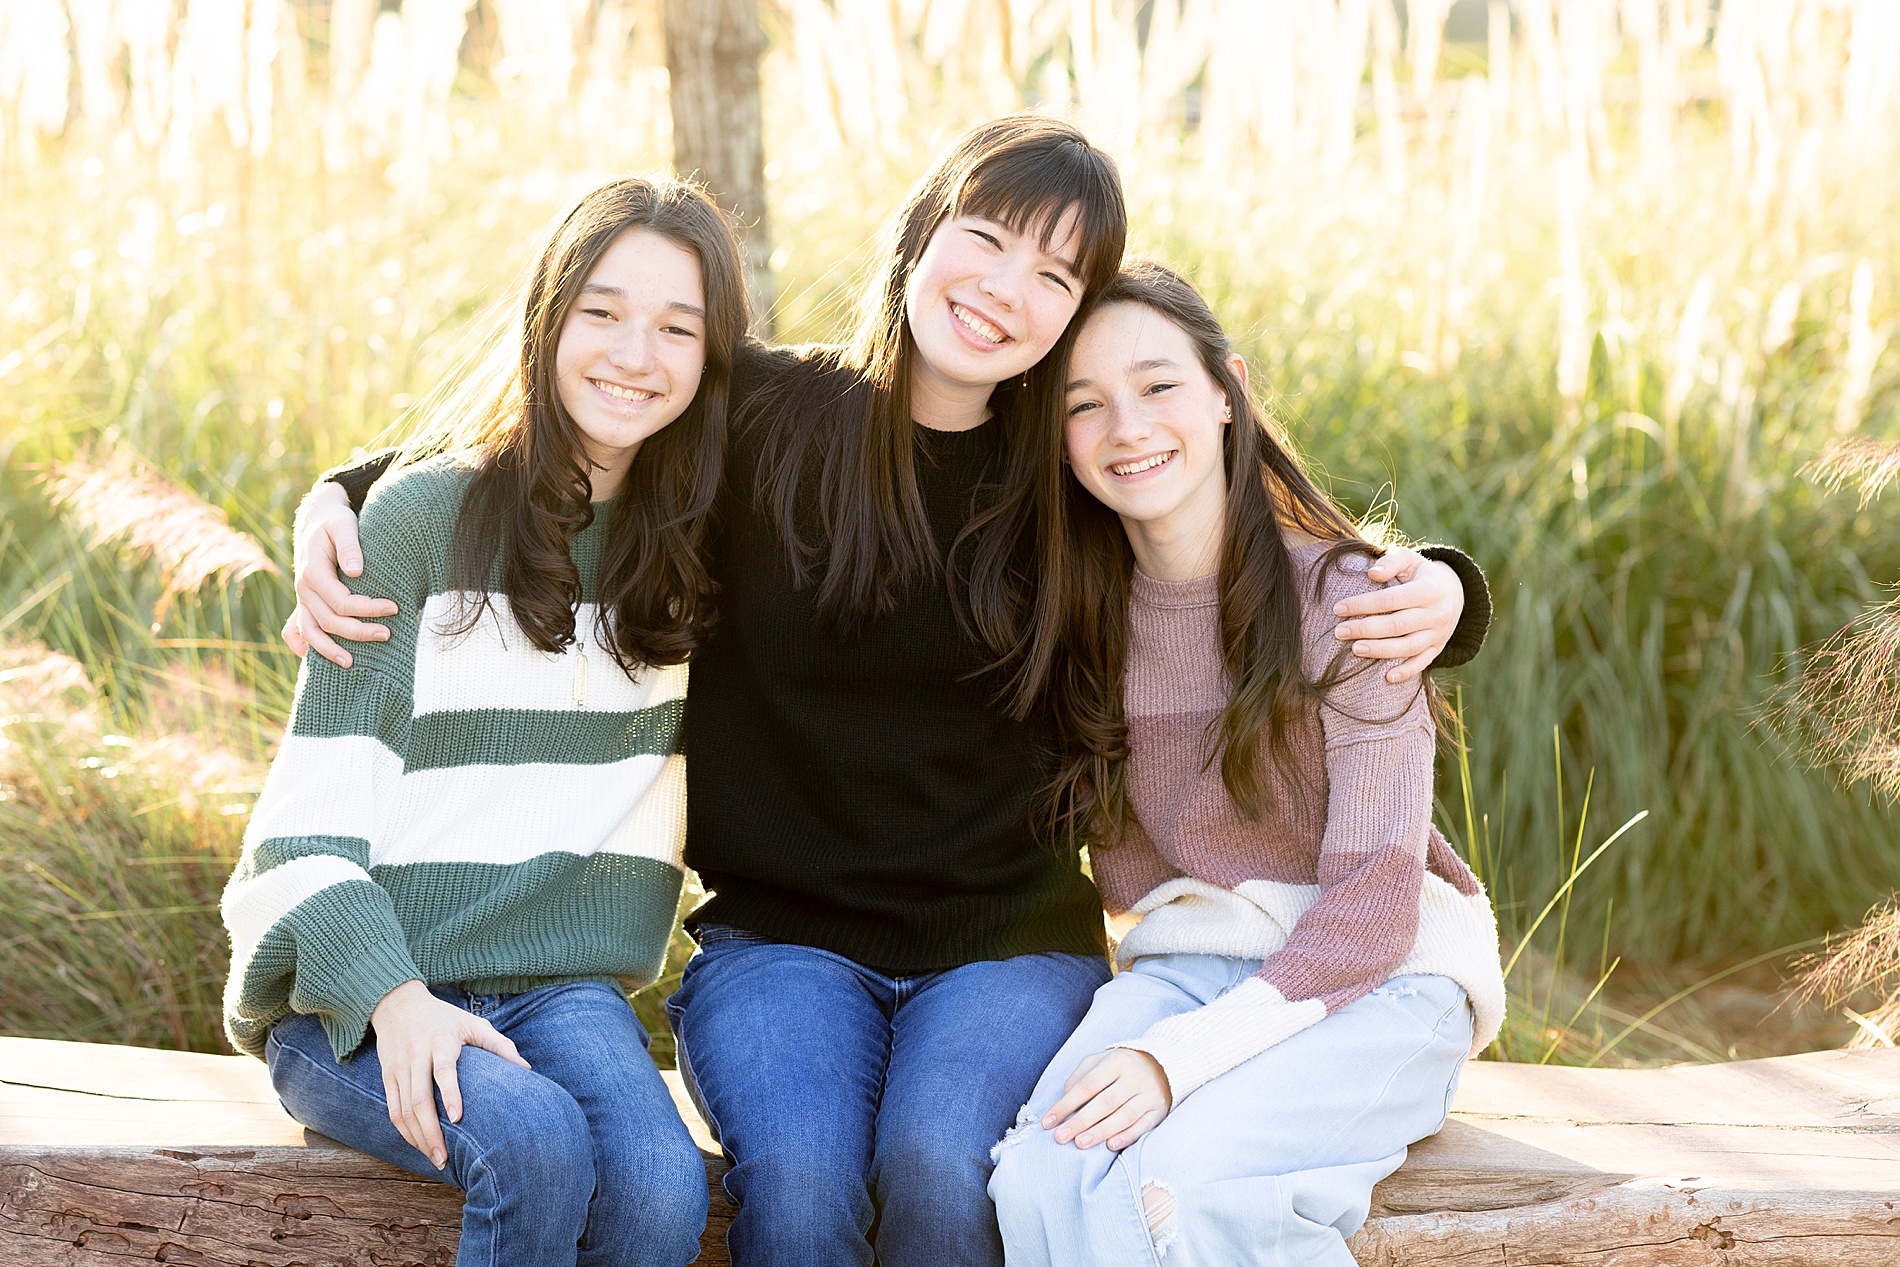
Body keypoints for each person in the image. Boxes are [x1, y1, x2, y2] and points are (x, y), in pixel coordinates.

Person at [286, 115, 1489, 1267]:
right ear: (922, 234)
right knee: (803, 1184)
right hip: (778, 941)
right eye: (987, 237)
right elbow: (576, 427)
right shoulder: (757, 415)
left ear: (1070, 321)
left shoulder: (1064, 477)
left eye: (1056, 277)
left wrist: (1444, 592)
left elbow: (1225, 544)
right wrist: (343, 494)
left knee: (936, 1170)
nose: (1005, 288)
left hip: (1005, 944)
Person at [221, 173, 751, 1267]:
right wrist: (393, 997)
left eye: (675, 327)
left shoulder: (699, 553)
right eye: (600, 312)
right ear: (548, 319)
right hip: (355, 1000)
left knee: (659, 1188)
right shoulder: (420, 524)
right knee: (536, 1142)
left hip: (562, 987)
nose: (633, 354)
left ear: (713, 359)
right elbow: (294, 841)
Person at [985, 260, 1506, 1267]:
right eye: (1083, 405)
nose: (1127, 426)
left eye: (1157, 385)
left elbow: (1368, 910)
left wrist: (1172, 1062)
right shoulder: (1074, 624)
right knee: (1035, 1177)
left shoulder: (1355, 602)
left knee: (1174, 1190)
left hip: (1385, 978)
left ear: (1227, 393)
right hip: (1188, 971)